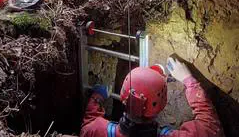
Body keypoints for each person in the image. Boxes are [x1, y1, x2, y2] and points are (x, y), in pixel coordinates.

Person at [81, 58, 223, 137]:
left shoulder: (97, 130)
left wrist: (97, 98)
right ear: (162, 104)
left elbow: (87, 127)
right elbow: (211, 128)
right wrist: (189, 81)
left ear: (123, 95)